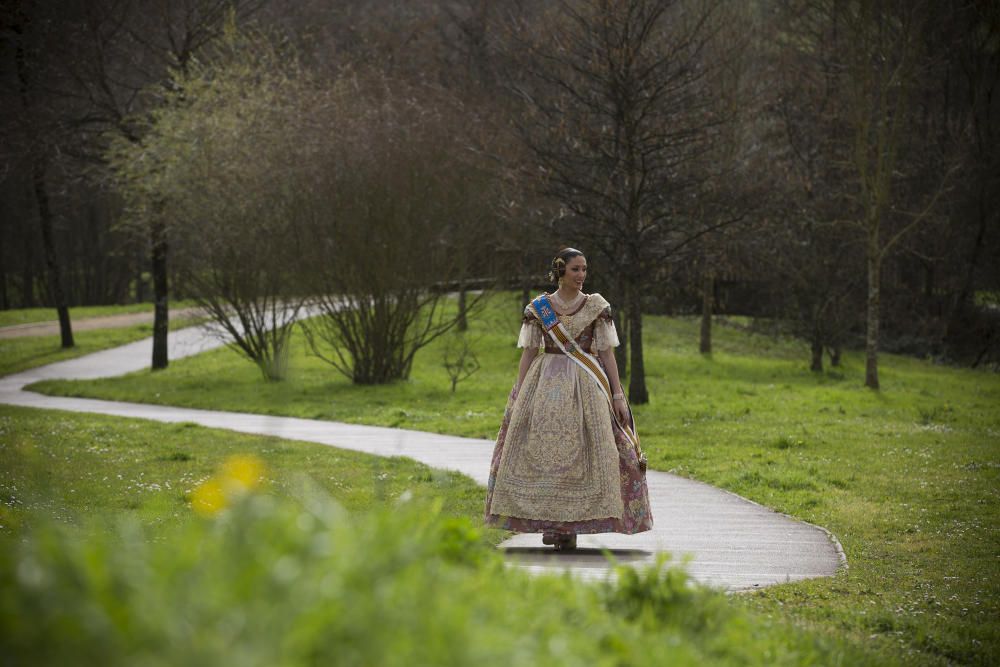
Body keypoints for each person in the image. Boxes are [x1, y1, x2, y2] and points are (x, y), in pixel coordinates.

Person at [484, 247, 653, 550]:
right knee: (542, 457)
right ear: (560, 271)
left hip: (587, 386)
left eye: (585, 269)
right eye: (576, 269)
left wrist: (616, 394)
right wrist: (520, 394)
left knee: (590, 454)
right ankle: (550, 524)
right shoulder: (540, 308)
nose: (582, 275)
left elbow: (606, 354)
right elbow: (528, 354)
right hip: (544, 384)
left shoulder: (596, 306)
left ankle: (572, 527)